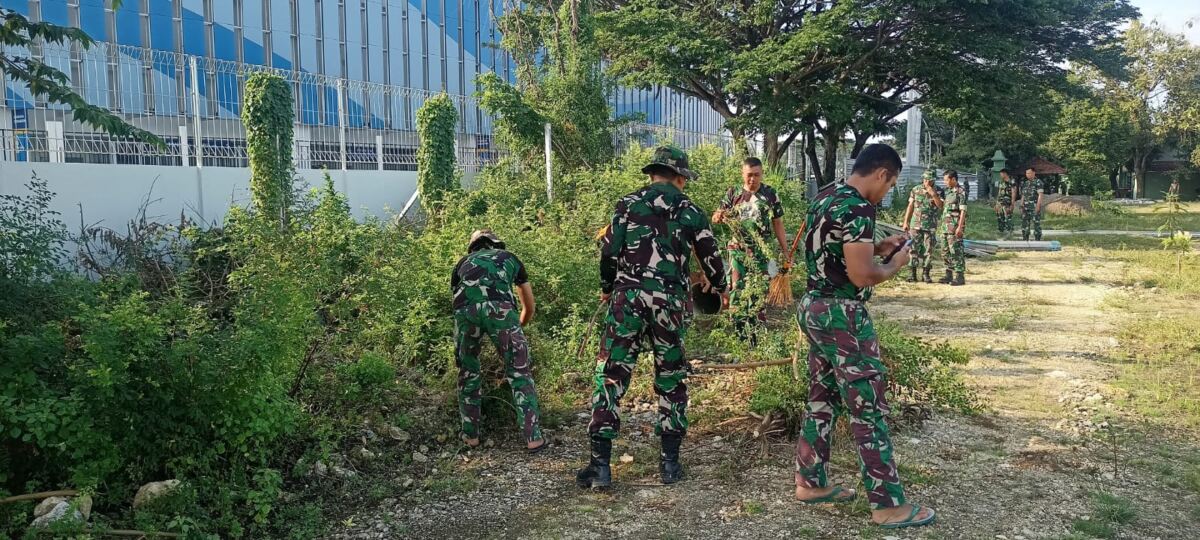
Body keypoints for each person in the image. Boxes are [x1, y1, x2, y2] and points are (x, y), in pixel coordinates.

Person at [792, 143, 937, 530]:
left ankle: (810, 483)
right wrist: (894, 263)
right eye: (889, 184)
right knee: (868, 407)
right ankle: (887, 506)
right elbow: (862, 276)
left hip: (813, 307)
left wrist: (877, 247)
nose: (886, 192)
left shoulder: (827, 196)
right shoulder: (858, 208)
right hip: (843, 316)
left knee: (821, 399)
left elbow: (834, 249)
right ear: (882, 173)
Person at [576, 146, 727, 489]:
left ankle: (600, 467)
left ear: (652, 174)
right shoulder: (690, 210)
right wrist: (719, 287)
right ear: (680, 177)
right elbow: (712, 260)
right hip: (670, 304)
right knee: (671, 376)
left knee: (611, 375)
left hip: (627, 300)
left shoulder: (627, 204)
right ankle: (670, 465)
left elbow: (609, 252)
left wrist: (607, 287)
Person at [450, 229, 545, 452]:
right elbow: (529, 306)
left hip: (465, 314)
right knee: (519, 372)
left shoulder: (461, 264)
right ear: (496, 244)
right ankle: (533, 438)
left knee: (468, 371)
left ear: (473, 246)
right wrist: (516, 328)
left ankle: (470, 436)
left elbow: (457, 300)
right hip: (501, 311)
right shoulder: (509, 258)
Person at [712, 157, 787, 345]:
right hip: (738, 252)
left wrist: (785, 250)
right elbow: (716, 216)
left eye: (756, 175)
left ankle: (756, 336)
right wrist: (719, 216)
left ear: (762, 174)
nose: (752, 179)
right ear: (742, 174)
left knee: (759, 292)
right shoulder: (733, 193)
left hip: (762, 253)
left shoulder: (770, 194)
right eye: (749, 175)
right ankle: (740, 336)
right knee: (738, 291)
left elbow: (777, 223)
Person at [900, 168, 944, 283]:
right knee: (913, 249)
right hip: (915, 224)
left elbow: (940, 206)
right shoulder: (916, 190)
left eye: (929, 180)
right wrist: (906, 222)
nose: (927, 182)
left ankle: (926, 274)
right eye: (925, 180)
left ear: (933, 180)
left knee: (929, 250)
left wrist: (933, 194)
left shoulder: (939, 191)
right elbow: (910, 206)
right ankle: (912, 274)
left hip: (930, 225)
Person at [939, 170, 968, 286]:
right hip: (945, 227)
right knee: (945, 251)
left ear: (953, 179)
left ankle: (960, 276)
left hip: (954, 227)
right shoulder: (947, 192)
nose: (945, 182)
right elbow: (942, 206)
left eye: (946, 180)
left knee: (956, 251)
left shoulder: (960, 192)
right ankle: (948, 274)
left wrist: (960, 227)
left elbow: (963, 211)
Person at [1019, 167, 1045, 241]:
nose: (1027, 174)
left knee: (1036, 223)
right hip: (1025, 207)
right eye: (1026, 173)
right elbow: (1023, 195)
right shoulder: (1025, 183)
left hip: (1034, 206)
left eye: (1029, 173)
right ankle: (1025, 238)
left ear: (1034, 173)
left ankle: (1037, 238)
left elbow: (1040, 195)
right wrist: (1021, 205)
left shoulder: (1038, 182)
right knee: (1024, 223)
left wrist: (1038, 206)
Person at [994, 169, 1015, 237]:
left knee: (1007, 216)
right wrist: (996, 203)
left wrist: (1012, 204)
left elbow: (1014, 192)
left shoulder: (1011, 181)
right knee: (999, 216)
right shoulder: (1001, 182)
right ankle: (1001, 230)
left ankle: (1009, 230)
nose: (1000, 175)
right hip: (1000, 201)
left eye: (1001, 174)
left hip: (1007, 201)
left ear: (1005, 174)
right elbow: (999, 192)